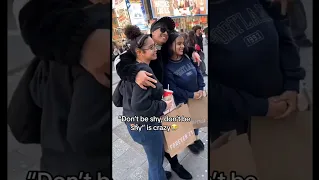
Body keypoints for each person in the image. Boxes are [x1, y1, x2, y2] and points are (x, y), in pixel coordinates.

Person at [11, 0, 112, 178]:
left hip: (54, 162)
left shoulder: (62, 24)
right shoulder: (100, 33)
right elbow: (88, 135)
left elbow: (22, 119)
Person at [209, 0, 305, 141]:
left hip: (284, 110)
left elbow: (284, 39)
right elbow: (210, 90)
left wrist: (291, 86)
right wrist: (262, 108)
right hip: (239, 130)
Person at [116, 17, 196, 179]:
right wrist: (135, 74)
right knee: (156, 158)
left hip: (143, 117)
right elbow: (121, 65)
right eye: (163, 30)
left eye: (169, 30)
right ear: (152, 32)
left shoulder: (158, 48)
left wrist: (193, 51)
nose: (167, 33)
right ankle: (160, 172)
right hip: (148, 119)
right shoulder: (139, 62)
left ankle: (170, 167)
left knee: (161, 150)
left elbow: (117, 99)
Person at [113, 25, 173, 180]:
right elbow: (139, 105)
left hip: (133, 125)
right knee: (155, 161)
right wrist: (164, 105)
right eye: (151, 47)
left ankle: (159, 173)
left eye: (155, 46)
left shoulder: (132, 72)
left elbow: (117, 99)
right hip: (145, 126)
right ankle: (158, 176)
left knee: (155, 156)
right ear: (139, 52)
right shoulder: (144, 73)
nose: (155, 50)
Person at [164, 31, 206, 154]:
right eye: (179, 44)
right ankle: (190, 140)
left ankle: (196, 137)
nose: (182, 46)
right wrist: (192, 95)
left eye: (183, 43)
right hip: (183, 101)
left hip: (197, 97)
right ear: (171, 46)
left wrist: (201, 88)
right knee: (188, 123)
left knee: (197, 120)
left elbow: (197, 71)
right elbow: (174, 89)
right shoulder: (168, 67)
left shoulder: (187, 57)